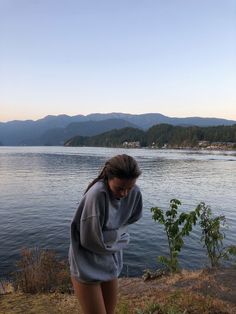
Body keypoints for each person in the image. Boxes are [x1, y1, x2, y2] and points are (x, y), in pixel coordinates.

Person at [69, 154, 143, 314]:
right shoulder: (97, 195)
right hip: (85, 262)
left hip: (109, 261)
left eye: (129, 188)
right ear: (108, 178)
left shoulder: (134, 192)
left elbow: (133, 216)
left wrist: (113, 234)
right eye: (119, 188)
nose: (124, 194)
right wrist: (119, 237)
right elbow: (90, 240)